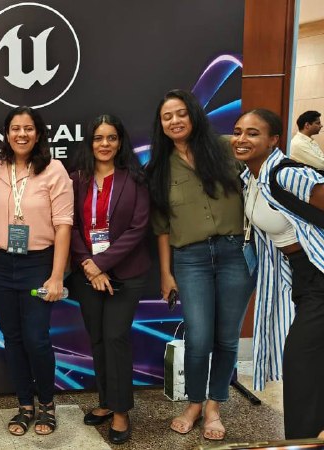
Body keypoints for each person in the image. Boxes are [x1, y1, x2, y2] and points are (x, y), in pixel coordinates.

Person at [146, 89, 255, 441]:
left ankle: (214, 406)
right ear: (161, 125)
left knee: (227, 337)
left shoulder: (226, 148)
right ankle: (194, 403)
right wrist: (166, 274)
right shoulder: (159, 168)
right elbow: (162, 228)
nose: (175, 121)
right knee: (198, 336)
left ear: (193, 114)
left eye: (181, 113)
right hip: (189, 259)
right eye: (167, 117)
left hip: (235, 253)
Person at [232, 108, 324, 439]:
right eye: (238, 132)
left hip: (319, 273)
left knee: (300, 362)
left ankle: (301, 441)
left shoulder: (285, 175)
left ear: (274, 140)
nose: (241, 139)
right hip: (301, 276)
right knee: (311, 362)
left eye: (252, 133)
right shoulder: (251, 179)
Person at [0, 106, 73, 437]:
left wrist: (57, 275)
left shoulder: (54, 170)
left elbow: (63, 225)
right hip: (0, 263)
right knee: (12, 337)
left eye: (28, 129)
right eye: (15, 129)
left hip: (38, 264)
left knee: (36, 338)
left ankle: (47, 404)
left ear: (38, 134)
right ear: (7, 134)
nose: (22, 134)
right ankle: (24, 404)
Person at [68, 114, 150, 445]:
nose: (105, 144)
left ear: (120, 142)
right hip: (87, 274)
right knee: (98, 339)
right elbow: (71, 225)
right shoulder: (77, 179)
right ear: (90, 143)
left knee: (115, 338)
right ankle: (105, 401)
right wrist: (89, 265)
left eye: (111, 138)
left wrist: (100, 263)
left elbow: (138, 228)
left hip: (126, 273)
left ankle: (120, 411)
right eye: (98, 138)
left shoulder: (135, 179)